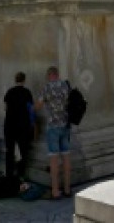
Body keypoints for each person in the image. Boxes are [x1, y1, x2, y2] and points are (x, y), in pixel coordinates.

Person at [35, 66, 72, 199]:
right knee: (67, 158)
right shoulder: (65, 86)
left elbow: (38, 106)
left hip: (53, 127)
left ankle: (55, 191)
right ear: (57, 74)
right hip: (65, 126)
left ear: (49, 75)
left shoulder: (47, 87)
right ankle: (67, 189)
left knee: (54, 160)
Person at [3, 71, 35, 180]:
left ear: (15, 80)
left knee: (9, 151)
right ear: (24, 80)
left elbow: (5, 108)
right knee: (23, 150)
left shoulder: (9, 92)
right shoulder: (27, 93)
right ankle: (20, 174)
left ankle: (9, 174)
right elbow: (30, 110)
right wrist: (32, 125)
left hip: (10, 125)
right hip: (23, 125)